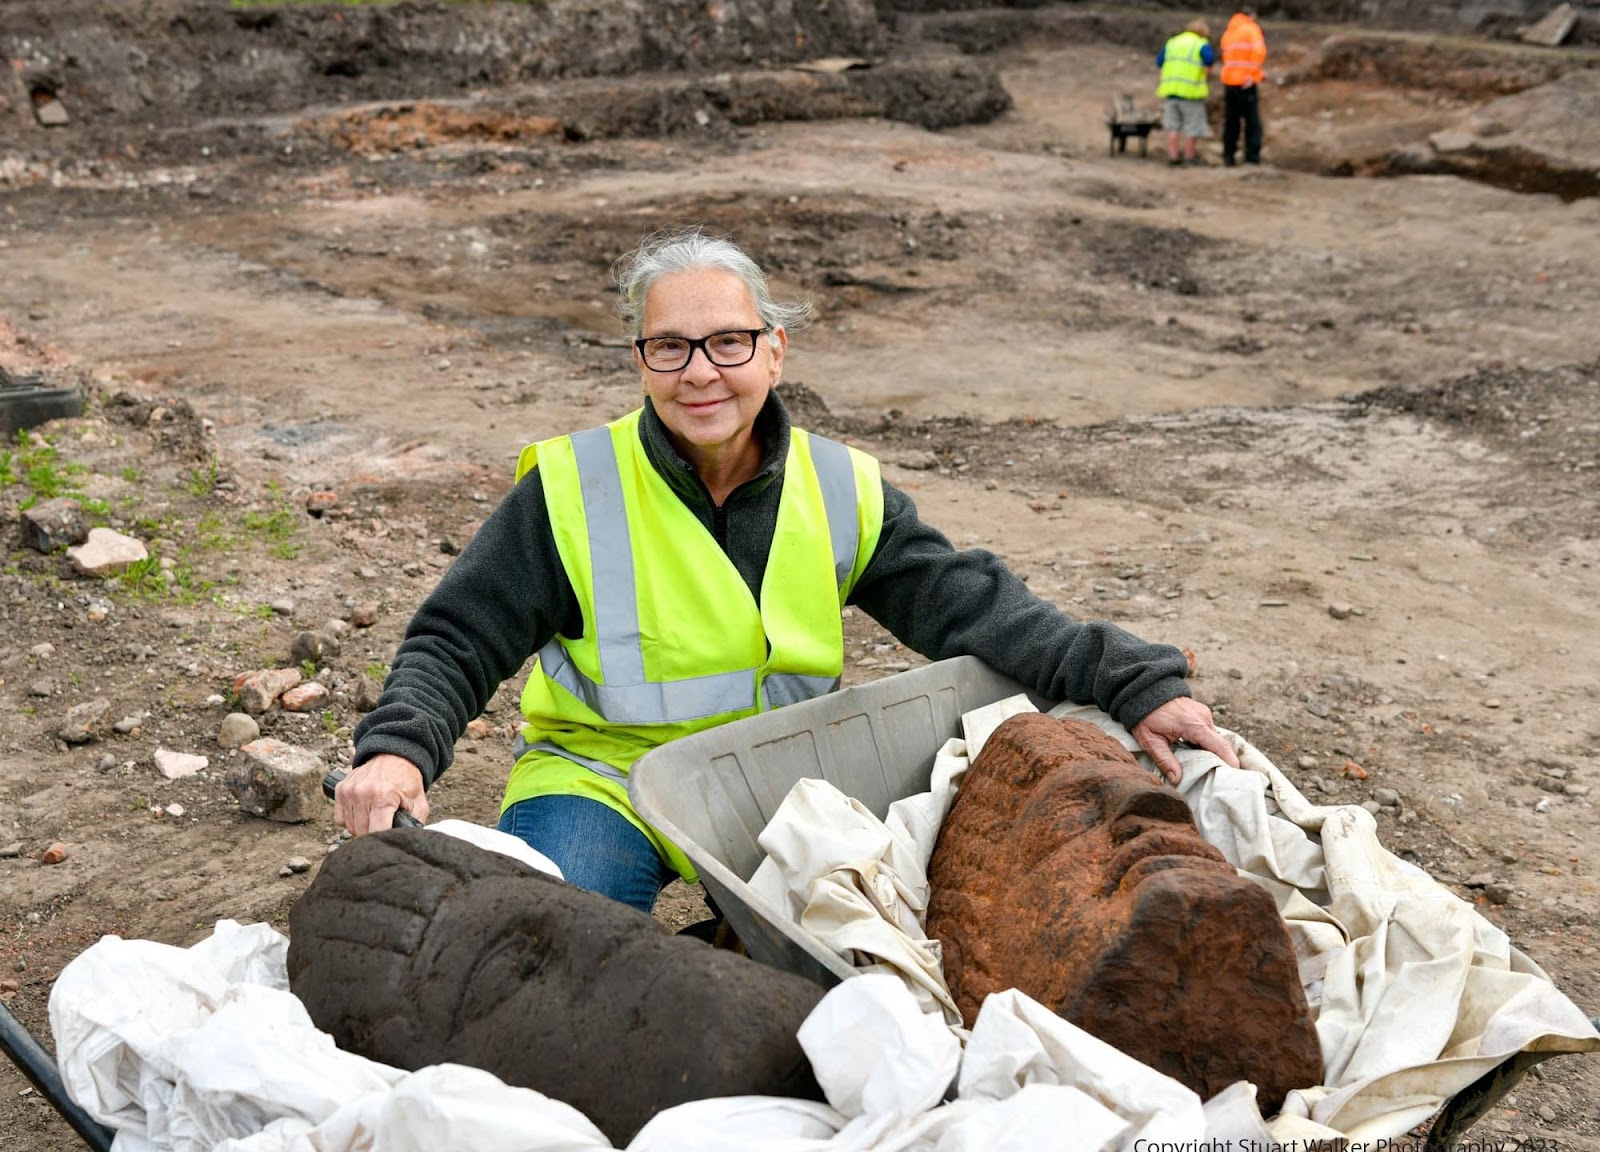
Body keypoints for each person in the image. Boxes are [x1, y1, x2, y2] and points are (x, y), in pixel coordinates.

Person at [337, 228, 1239, 913]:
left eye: (729, 343)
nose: (702, 373)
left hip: (780, 788)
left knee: (869, 982)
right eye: (671, 347)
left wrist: (1131, 679)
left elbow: (968, 605)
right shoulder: (573, 489)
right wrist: (397, 748)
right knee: (538, 937)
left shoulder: (842, 487)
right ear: (641, 359)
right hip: (604, 783)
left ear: (774, 348)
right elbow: (457, 637)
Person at [1155, 19, 1216, 167]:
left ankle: (1173, 156)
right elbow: (1210, 61)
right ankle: (1189, 156)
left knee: (1172, 126)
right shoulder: (1200, 44)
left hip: (1171, 91)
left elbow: (1159, 62)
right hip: (1191, 93)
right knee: (1193, 127)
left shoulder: (1172, 43)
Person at [1220, 7, 1267, 166]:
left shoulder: (1229, 32)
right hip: (1245, 82)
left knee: (1231, 122)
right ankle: (1251, 158)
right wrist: (1253, 74)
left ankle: (1228, 156)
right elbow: (1259, 51)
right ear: (1251, 16)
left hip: (1229, 82)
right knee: (1252, 122)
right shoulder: (1251, 29)